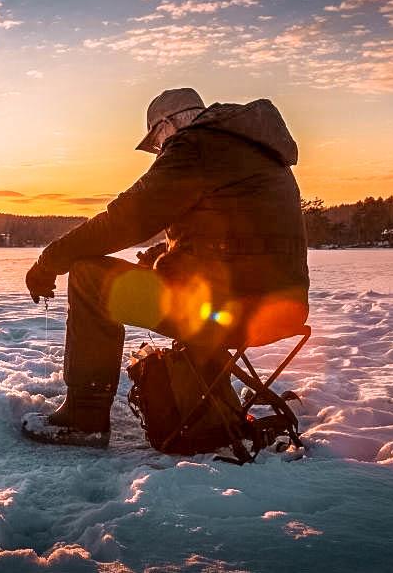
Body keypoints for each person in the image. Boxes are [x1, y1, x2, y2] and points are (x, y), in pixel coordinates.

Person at [21, 88, 309, 447]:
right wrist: (165, 255)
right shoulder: (254, 149)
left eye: (157, 141)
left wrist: (50, 260)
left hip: (230, 308)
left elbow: (125, 219)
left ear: (168, 124)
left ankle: (84, 417)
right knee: (141, 280)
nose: (159, 151)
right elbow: (238, 235)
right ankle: (205, 405)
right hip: (281, 307)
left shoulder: (196, 145)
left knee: (89, 276)